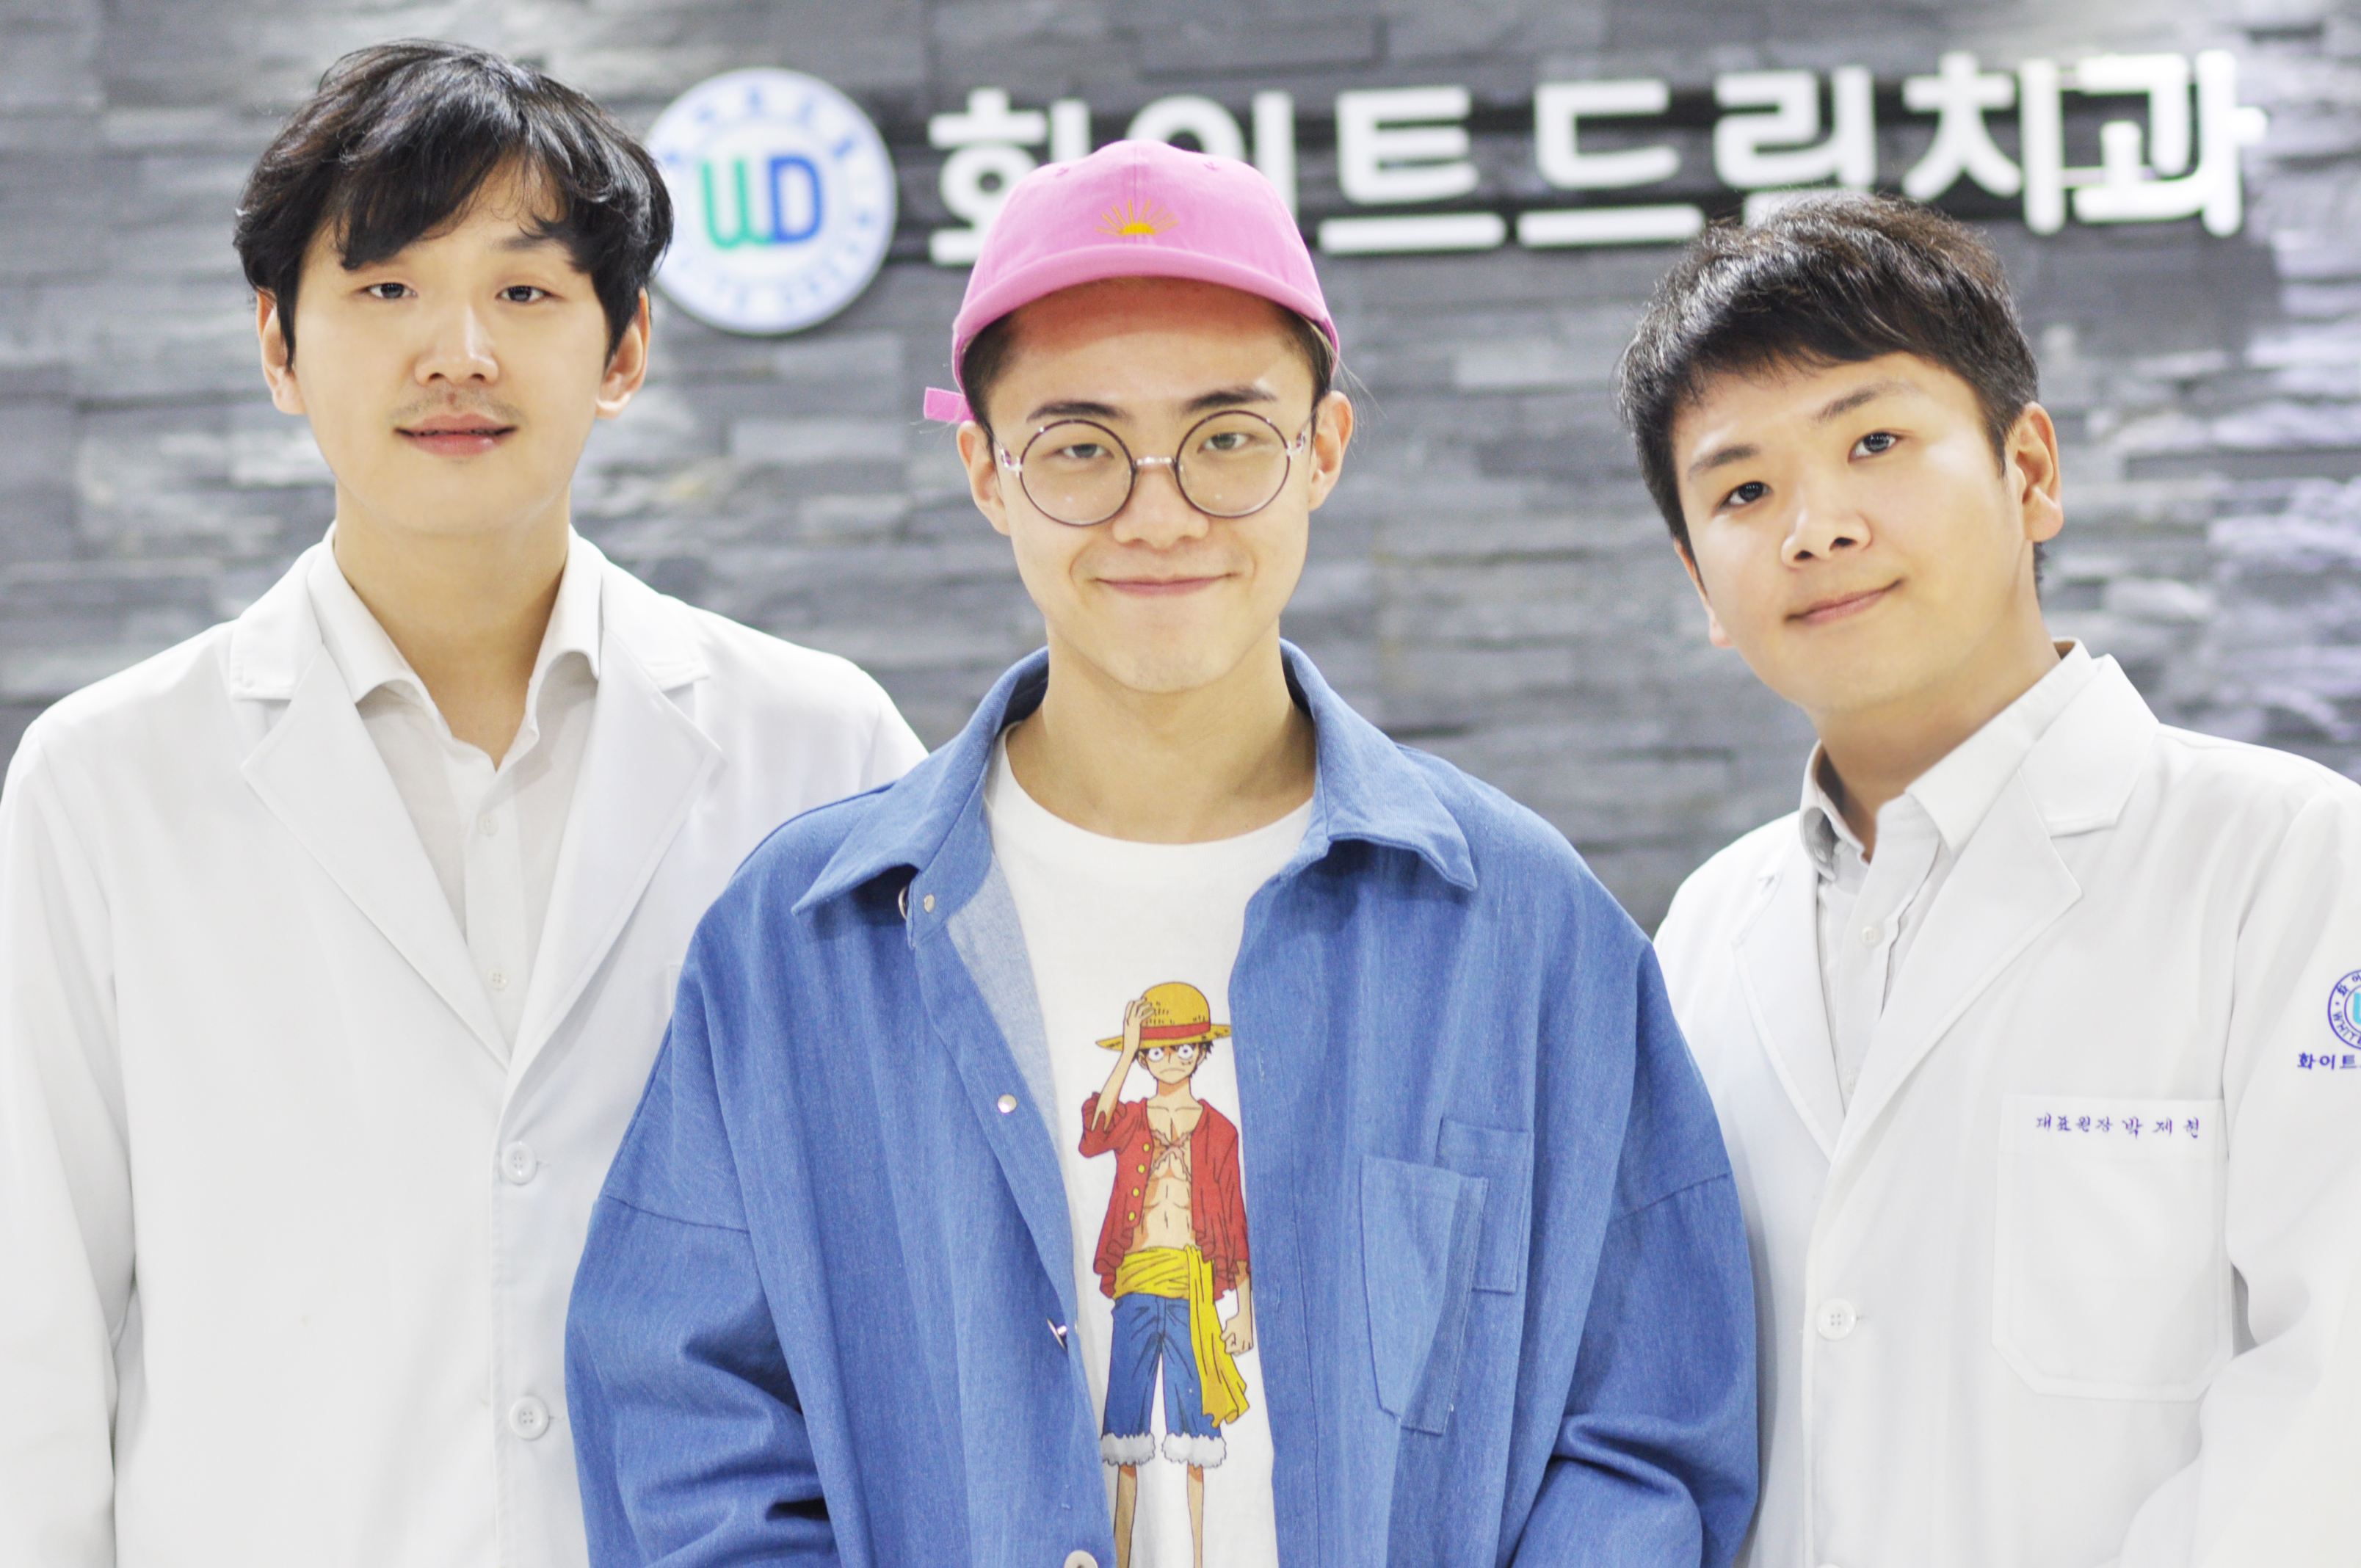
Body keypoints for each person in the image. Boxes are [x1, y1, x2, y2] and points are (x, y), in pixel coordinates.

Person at [565, 137, 1757, 1568]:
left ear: (1323, 451)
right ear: (987, 473)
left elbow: (1648, 1428)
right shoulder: (800, 945)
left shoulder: (1527, 928)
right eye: (1079, 448)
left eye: (1228, 438)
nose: (1160, 512)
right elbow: (685, 1431)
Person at [0, 40, 923, 1568]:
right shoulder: (106, 786)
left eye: (527, 290)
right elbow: (30, 1331)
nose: (460, 351)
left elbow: (905, 1273)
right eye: (386, 288)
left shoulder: (824, 753)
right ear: (279, 345)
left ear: (624, 349)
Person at [1627, 195, 2361, 1568]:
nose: (1814, 526)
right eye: (1742, 491)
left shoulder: (2288, 865)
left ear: (2029, 472)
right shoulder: (1702, 942)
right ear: (1700, 585)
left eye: (1874, 442)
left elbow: (2337, 1404)